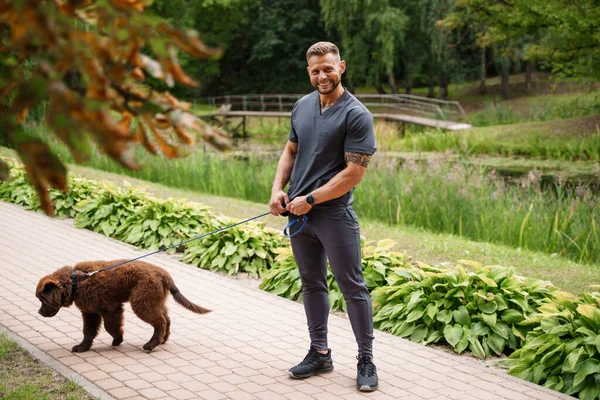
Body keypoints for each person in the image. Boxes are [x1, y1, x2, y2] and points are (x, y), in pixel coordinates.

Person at [269, 41, 378, 392]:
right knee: (311, 283)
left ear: (341, 67)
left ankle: (365, 360)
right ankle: (320, 354)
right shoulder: (301, 106)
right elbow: (290, 150)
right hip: (298, 216)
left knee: (353, 287)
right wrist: (277, 189)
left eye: (328, 68)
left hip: (333, 215)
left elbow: (354, 173)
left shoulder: (356, 114)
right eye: (316, 70)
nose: (322, 75)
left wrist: (312, 199)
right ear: (309, 72)